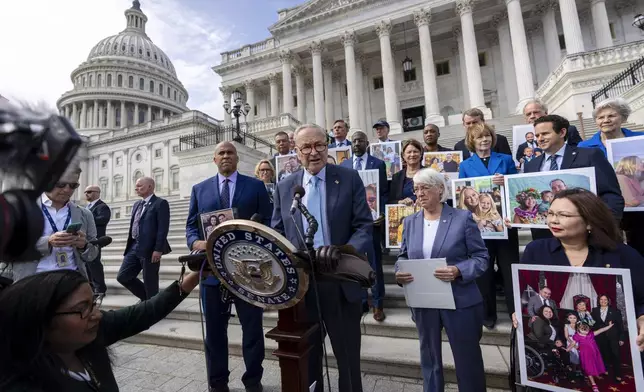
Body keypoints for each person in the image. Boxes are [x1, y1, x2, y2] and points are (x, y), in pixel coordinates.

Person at [272, 124, 372, 392]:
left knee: (347, 359)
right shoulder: (285, 187)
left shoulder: (349, 178)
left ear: (328, 146)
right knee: (308, 359)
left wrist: (342, 250)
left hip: (339, 282)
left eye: (319, 145)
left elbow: (363, 227)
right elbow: (278, 232)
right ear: (296, 150)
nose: (313, 152)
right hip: (303, 288)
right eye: (306, 147)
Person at [0, 268, 204, 392]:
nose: (97, 315)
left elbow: (145, 312)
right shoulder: (20, 384)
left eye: (94, 303)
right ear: (40, 320)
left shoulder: (91, 334)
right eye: (81, 309)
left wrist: (191, 278)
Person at [513, 189, 644, 356]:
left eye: (564, 215)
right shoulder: (536, 250)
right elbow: (524, 293)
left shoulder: (621, 254)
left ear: (589, 222)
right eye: (551, 213)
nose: (554, 220)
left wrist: (642, 317)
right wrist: (518, 311)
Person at [186, 141, 271, 392]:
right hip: (212, 273)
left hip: (249, 272)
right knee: (214, 332)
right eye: (221, 153)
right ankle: (217, 383)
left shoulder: (255, 186)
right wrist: (195, 241)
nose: (226, 156)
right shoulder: (199, 189)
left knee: (253, 330)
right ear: (214, 159)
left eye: (230, 153)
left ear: (237, 158)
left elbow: (268, 219)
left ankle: (253, 381)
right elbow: (191, 225)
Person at [395, 168, 488, 392]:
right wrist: (399, 272)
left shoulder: (462, 218)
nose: (419, 193)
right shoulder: (410, 222)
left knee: (467, 359)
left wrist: (458, 270)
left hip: (460, 300)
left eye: (425, 187)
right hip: (424, 301)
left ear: (440, 189)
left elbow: (481, 257)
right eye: (416, 188)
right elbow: (402, 257)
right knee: (430, 359)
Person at [524, 114, 624, 240]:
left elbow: (611, 195)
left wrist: (604, 226)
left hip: (587, 236)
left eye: (545, 134)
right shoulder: (531, 165)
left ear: (562, 132)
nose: (540, 139)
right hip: (546, 238)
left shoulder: (590, 156)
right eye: (537, 135)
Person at [458, 122, 518, 329]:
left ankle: (515, 312)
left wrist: (507, 180)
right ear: (471, 141)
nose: (484, 140)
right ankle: (487, 314)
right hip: (479, 228)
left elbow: (517, 187)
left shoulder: (506, 160)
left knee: (510, 269)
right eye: (479, 137)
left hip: (505, 224)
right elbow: (462, 196)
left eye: (487, 136)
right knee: (483, 271)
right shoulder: (465, 165)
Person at [6, 166, 98, 283]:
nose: (67, 190)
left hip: (72, 282)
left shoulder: (85, 214)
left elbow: (93, 253)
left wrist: (84, 246)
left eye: (73, 186)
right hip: (32, 281)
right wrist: (47, 242)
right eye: (61, 184)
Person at [580, 97, 644, 257]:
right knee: (611, 249)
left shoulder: (640, 139)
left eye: (611, 116)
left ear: (622, 117)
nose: (605, 120)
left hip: (637, 204)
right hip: (604, 205)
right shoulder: (584, 147)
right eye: (600, 117)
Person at [340, 130, 388, 321]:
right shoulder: (343, 165)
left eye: (360, 140)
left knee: (374, 262)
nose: (357, 143)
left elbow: (383, 192)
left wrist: (381, 212)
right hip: (350, 224)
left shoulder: (378, 164)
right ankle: (361, 300)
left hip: (372, 222)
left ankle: (378, 303)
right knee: (354, 262)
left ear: (367, 143)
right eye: (354, 141)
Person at [117, 177, 171, 301]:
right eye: (136, 186)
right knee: (123, 276)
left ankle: (153, 309)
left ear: (150, 187)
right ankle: (147, 300)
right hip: (134, 246)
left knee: (150, 280)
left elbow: (163, 228)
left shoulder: (160, 203)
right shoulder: (137, 204)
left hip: (150, 248)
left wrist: (158, 249)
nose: (136, 188)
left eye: (140, 186)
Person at [591, 294, 625, 381]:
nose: (603, 301)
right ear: (599, 301)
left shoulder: (615, 311)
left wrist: (621, 338)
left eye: (605, 299)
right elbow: (592, 324)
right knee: (603, 355)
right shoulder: (594, 310)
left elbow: (620, 325)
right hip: (600, 337)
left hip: (613, 337)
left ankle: (618, 374)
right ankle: (604, 370)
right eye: (601, 299)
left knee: (615, 355)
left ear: (608, 301)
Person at [84, 185, 110, 295]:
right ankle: (91, 287)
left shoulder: (102, 206)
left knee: (94, 264)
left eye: (89, 191)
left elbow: (103, 219)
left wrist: (87, 219)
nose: (86, 194)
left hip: (96, 240)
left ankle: (100, 288)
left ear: (97, 193)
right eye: (85, 192)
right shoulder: (86, 207)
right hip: (86, 240)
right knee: (87, 265)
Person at [574, 321, 615, 392]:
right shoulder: (577, 336)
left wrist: (609, 326)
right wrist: (576, 347)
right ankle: (593, 384)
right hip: (585, 355)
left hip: (594, 354)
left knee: (595, 366)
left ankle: (596, 374)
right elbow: (573, 343)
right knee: (588, 368)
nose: (586, 331)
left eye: (587, 329)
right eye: (583, 329)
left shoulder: (591, 334)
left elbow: (601, 330)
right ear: (578, 330)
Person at [390, 139, 424, 206]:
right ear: (403, 156)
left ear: (421, 154)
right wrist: (400, 202)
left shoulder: (429, 173)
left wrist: (425, 200)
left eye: (415, 151)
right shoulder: (397, 177)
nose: (412, 154)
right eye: (409, 152)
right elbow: (390, 201)